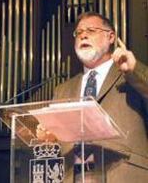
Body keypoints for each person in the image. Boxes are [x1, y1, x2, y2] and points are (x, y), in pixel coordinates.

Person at [44, 12, 148, 182]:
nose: (83, 35)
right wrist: (49, 136)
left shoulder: (131, 74)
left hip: (124, 175)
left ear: (111, 37)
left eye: (91, 30)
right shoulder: (62, 90)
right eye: (78, 33)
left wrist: (133, 71)